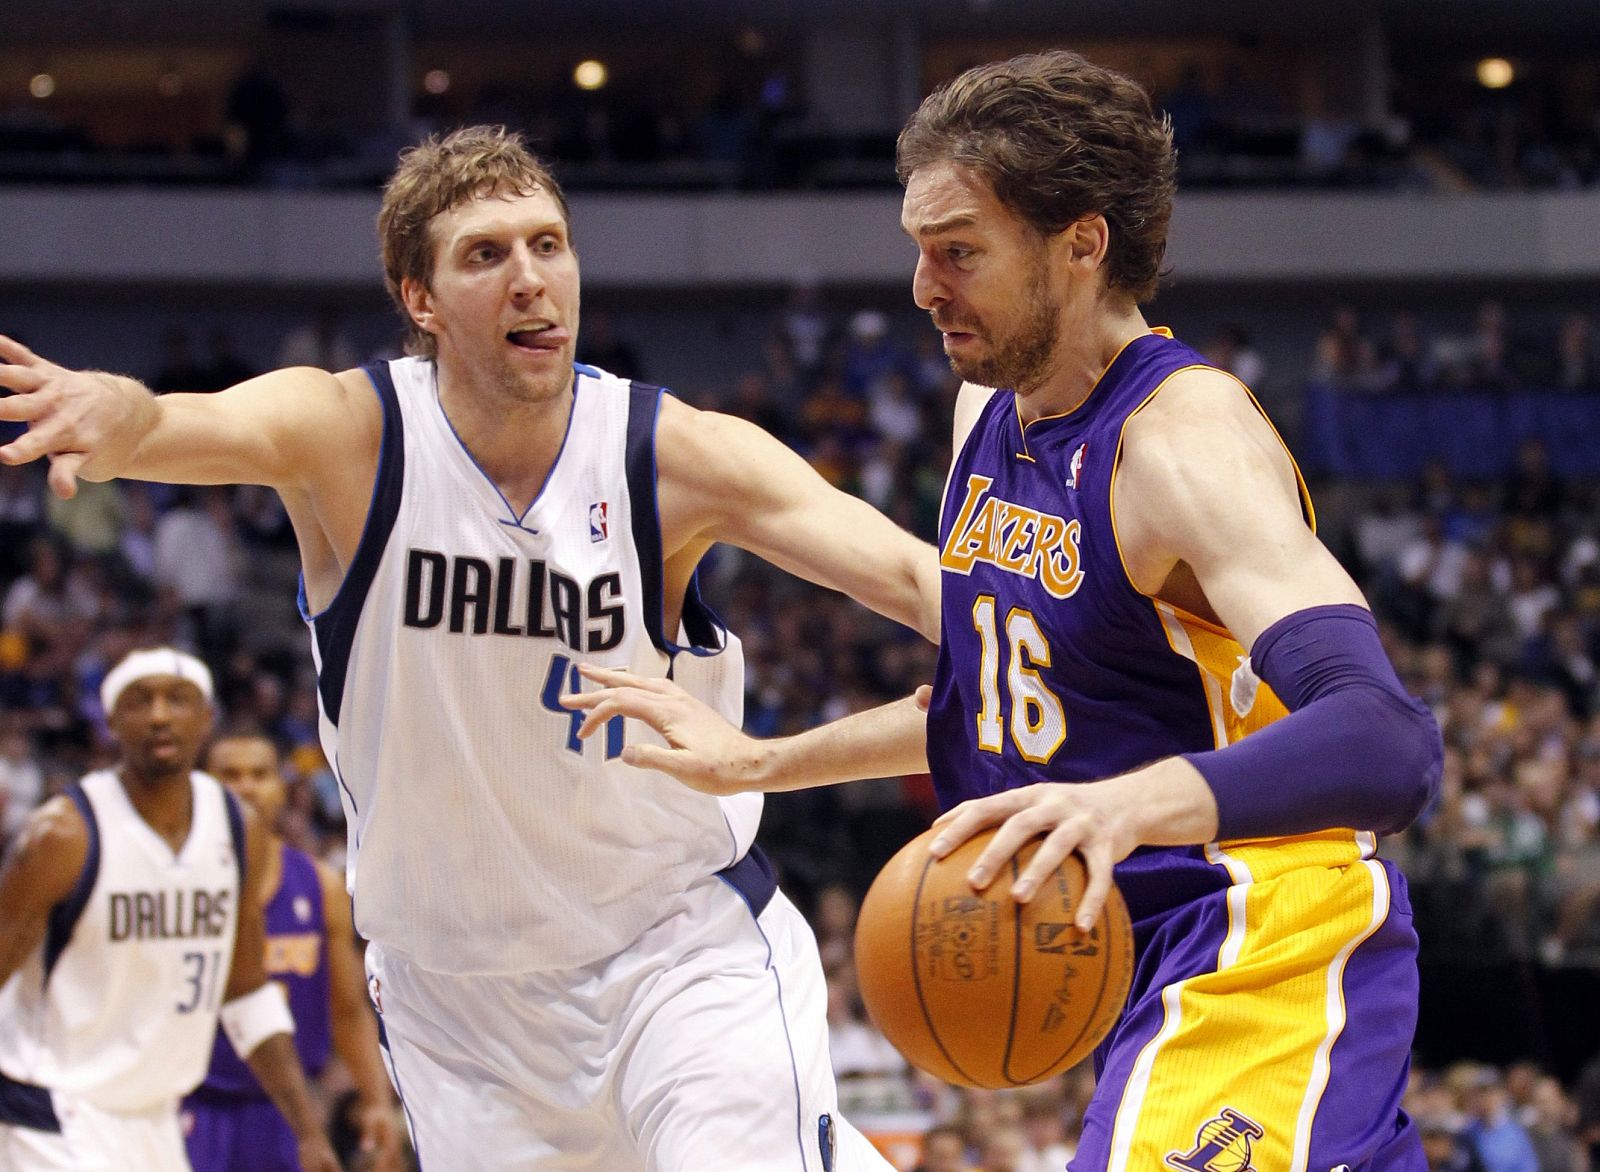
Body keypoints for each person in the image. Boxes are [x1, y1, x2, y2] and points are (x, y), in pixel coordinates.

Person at [566, 51, 1442, 1172]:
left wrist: (1125, 806)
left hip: (1260, 938)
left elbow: (1387, 740)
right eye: (918, 249)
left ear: (1082, 244)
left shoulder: (1180, 442)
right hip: (1140, 958)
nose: (923, 287)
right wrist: (759, 764)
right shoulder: (986, 415)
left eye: (959, 251)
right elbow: (1003, 702)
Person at [0, 125, 937, 1169]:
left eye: (548, 245)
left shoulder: (671, 453)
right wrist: (109, 413)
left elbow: (916, 581)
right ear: (422, 299)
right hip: (456, 1009)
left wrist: (1058, 645)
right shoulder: (347, 436)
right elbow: (170, 422)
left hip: (672, 952)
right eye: (486, 254)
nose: (530, 278)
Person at [0, 647, 337, 1171]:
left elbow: (247, 994)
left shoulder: (237, 829)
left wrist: (309, 1132)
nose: (160, 715)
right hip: (50, 1112)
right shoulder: (63, 836)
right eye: (140, 701)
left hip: (155, 1120)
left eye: (178, 700)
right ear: (111, 723)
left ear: (206, 718)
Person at [183, 731, 401, 1172]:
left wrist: (376, 1099)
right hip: (194, 1103)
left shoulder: (319, 884)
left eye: (259, 774)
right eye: (230, 775)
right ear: (202, 787)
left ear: (282, 788)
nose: (245, 786)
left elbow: (347, 1011)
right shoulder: (175, 885)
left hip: (291, 1110)